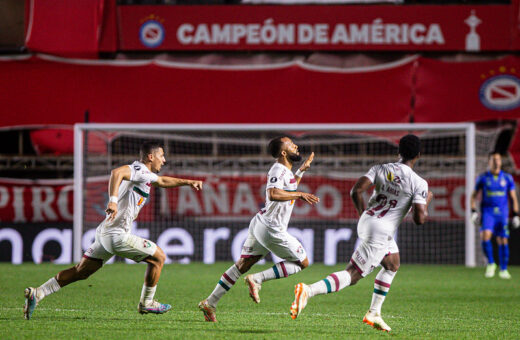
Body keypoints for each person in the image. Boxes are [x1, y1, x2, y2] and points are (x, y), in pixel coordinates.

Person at [23, 142, 203, 320]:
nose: (163, 160)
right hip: (117, 235)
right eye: (161, 156)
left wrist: (188, 182)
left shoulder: (145, 175)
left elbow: (163, 181)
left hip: (105, 234)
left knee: (81, 272)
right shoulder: (138, 170)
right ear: (150, 157)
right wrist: (113, 201)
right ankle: (147, 303)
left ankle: (38, 293)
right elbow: (117, 173)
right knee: (159, 258)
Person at [290, 134, 433, 333]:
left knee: (392, 264)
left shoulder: (380, 169)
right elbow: (419, 219)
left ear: (398, 151)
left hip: (368, 219)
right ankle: (308, 290)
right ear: (419, 154)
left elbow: (356, 191)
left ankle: (374, 313)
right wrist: (427, 201)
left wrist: (364, 215)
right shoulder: (419, 183)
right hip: (381, 231)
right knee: (353, 274)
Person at [198, 136, 320, 322]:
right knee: (302, 263)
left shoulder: (286, 172)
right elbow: (273, 193)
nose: (296, 145)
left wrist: (301, 172)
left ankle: (210, 303)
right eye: (290, 143)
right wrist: (301, 194)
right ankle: (258, 279)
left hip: (261, 223)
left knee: (242, 265)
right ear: (283, 152)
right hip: (271, 228)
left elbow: (288, 187)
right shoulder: (278, 169)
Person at [470, 152, 519, 279]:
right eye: (493, 159)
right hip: (488, 212)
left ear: (501, 162)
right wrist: (473, 211)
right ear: (489, 162)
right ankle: (491, 263)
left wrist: (516, 214)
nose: (496, 161)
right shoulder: (483, 178)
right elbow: (473, 196)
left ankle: (503, 269)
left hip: (502, 213)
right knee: (485, 235)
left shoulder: (507, 178)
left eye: (498, 159)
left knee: (503, 239)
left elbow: (513, 197)